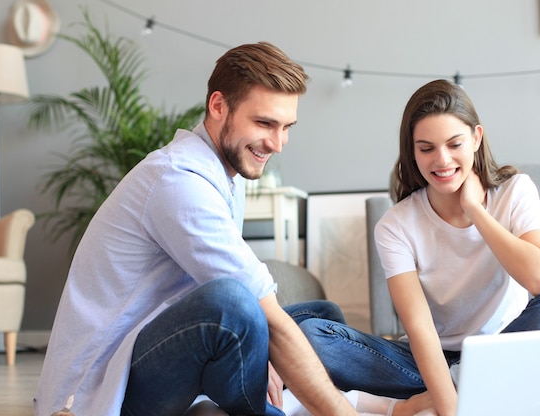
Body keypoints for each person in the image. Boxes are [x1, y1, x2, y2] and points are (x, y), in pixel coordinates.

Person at [34, 41, 362, 416]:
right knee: (232, 305)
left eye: (286, 126)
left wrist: (267, 344)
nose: (278, 143)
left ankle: (433, 384)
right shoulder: (178, 181)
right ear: (218, 106)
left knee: (320, 318)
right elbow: (245, 303)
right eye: (265, 123)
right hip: (102, 385)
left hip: (165, 350)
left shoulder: (224, 174)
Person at [298, 79, 540, 416]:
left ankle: (448, 388)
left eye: (454, 144)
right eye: (426, 147)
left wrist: (476, 211)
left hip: (499, 348)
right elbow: (419, 328)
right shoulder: (396, 225)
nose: (442, 159)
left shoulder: (515, 191)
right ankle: (480, 386)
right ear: (412, 150)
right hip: (424, 361)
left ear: (476, 138)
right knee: (313, 336)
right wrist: (450, 408)